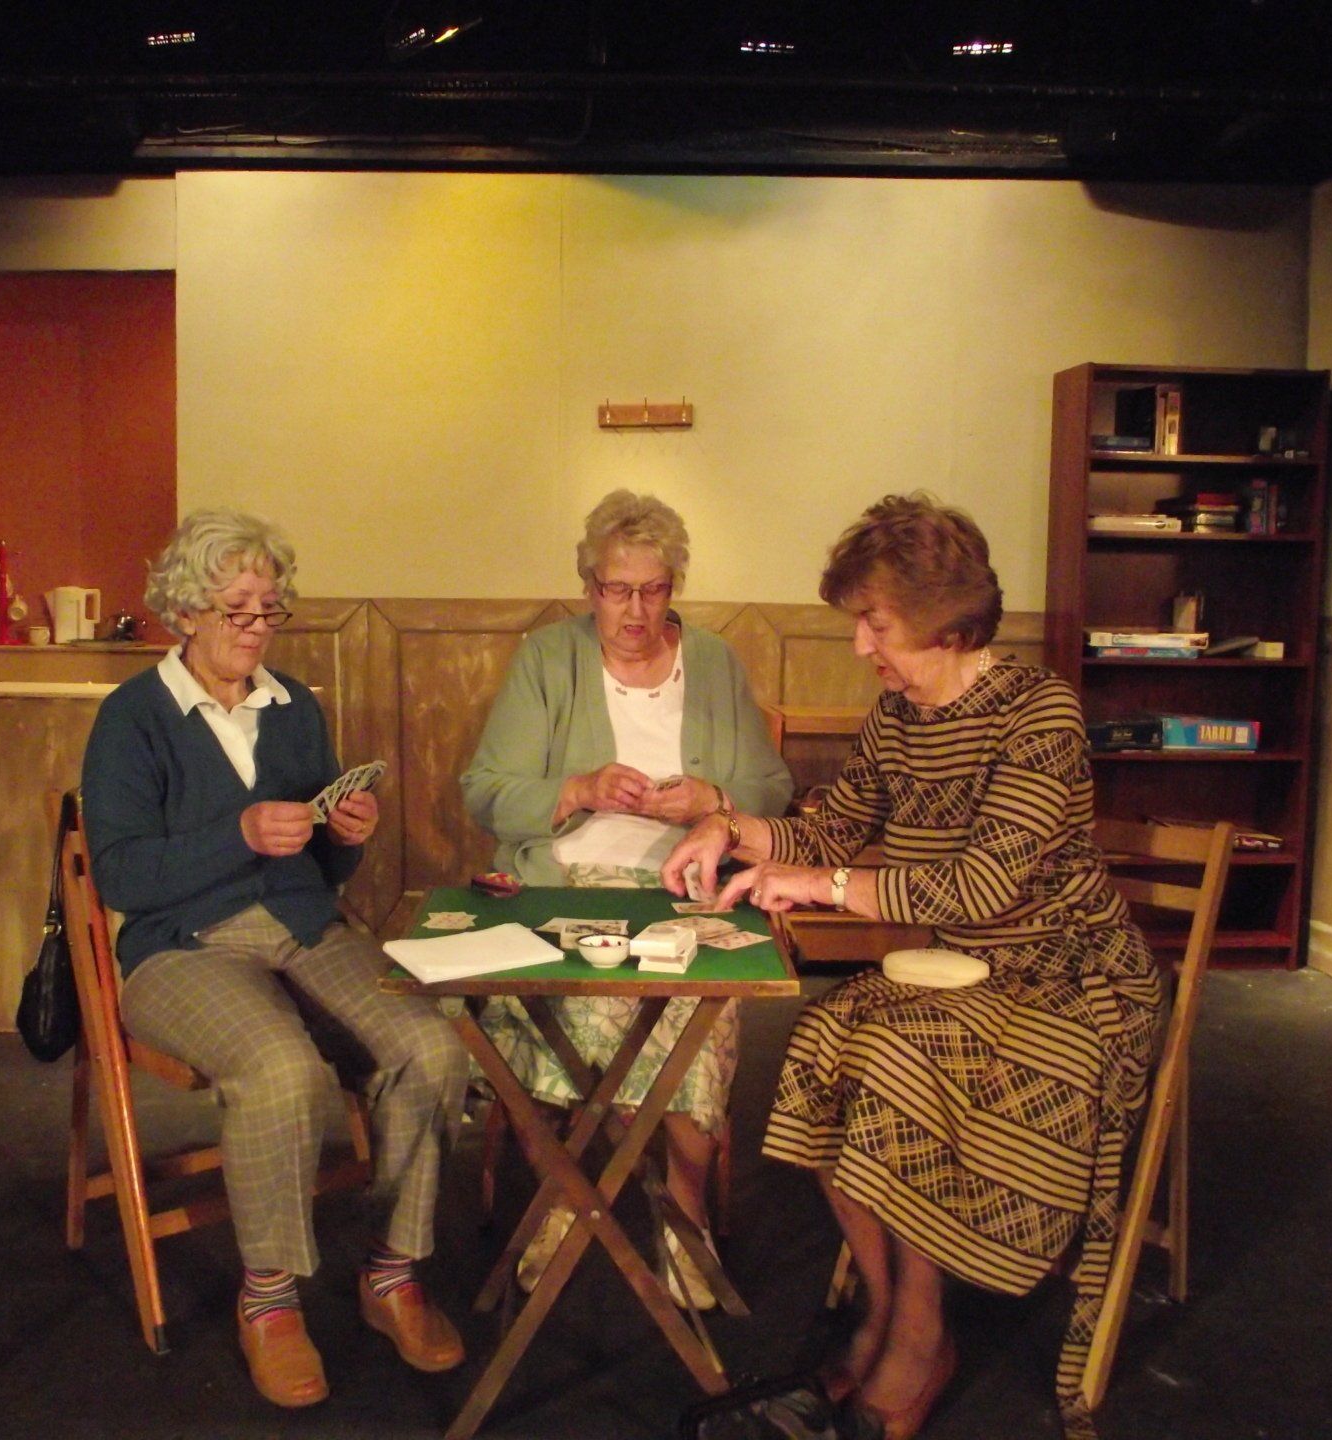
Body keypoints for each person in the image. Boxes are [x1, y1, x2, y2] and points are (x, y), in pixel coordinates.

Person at [662, 493, 1164, 1438]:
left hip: (1072, 982)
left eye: (876, 623)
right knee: (825, 1037)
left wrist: (821, 886)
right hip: (962, 976)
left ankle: (917, 1333)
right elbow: (831, 828)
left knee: (897, 1060)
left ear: (945, 623)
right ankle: (894, 1312)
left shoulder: (1039, 712)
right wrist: (728, 827)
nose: (861, 646)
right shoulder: (898, 714)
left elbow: (980, 886)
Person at [81, 509, 467, 1410]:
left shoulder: (293, 706)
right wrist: (241, 833)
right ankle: (270, 1300)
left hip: (302, 929)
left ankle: (392, 1273)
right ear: (185, 612)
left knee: (433, 1046)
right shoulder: (132, 718)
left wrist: (344, 836)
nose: (257, 627)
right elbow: (124, 875)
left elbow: (321, 872)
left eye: (269, 609)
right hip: (181, 947)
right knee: (281, 1067)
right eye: (237, 610)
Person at [460, 489, 793, 1308]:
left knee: (693, 1019)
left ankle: (682, 1219)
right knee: (547, 1008)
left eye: (653, 590)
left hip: (684, 891)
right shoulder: (548, 659)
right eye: (617, 590)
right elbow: (484, 791)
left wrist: (713, 800)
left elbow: (772, 790)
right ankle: (566, 1201)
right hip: (562, 886)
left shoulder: (713, 662)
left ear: (674, 587)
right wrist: (576, 789)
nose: (636, 611)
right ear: (590, 588)